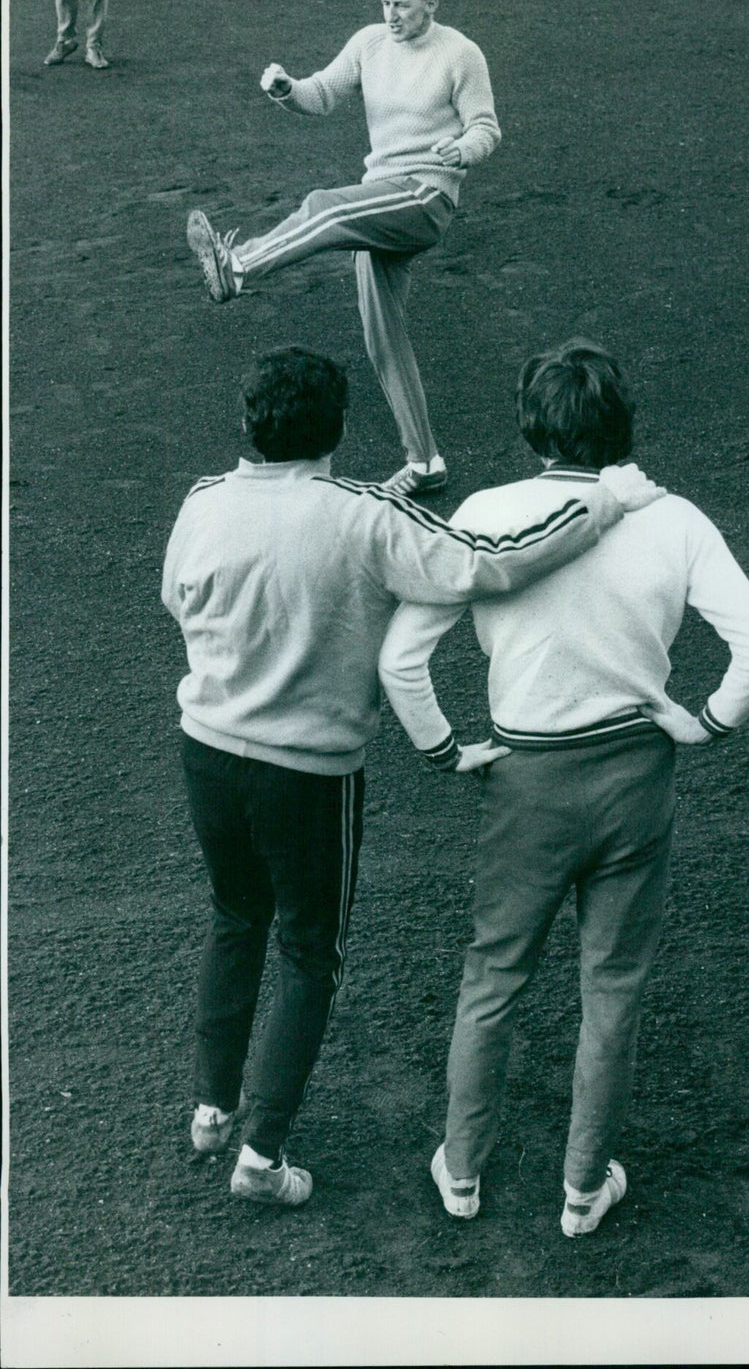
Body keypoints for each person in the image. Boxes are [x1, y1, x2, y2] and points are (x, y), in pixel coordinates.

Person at [161, 344, 663, 1208]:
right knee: (311, 955)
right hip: (309, 777)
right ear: (338, 430)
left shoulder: (203, 500)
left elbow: (179, 597)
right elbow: (483, 562)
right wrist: (602, 504)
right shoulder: (365, 516)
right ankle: (262, 1153)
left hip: (206, 750)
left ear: (249, 423)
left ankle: (212, 1109)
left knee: (235, 919)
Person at [378, 338, 749, 1234]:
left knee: (492, 976)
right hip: (637, 775)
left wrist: (446, 749)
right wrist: (705, 720)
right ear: (623, 424)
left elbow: (401, 659)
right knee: (614, 985)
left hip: (524, 780)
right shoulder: (676, 519)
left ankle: (461, 1169)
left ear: (533, 428)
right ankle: (582, 1187)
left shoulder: (486, 512)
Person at [185, 0, 501, 497]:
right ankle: (424, 461)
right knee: (384, 336)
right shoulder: (370, 44)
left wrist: (463, 149)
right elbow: (322, 94)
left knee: (325, 208)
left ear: (432, 4)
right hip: (381, 199)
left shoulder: (461, 54)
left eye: (402, 5)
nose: (391, 15)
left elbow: (486, 127)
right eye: (385, 4)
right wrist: (286, 88)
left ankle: (239, 267)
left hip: (425, 197)